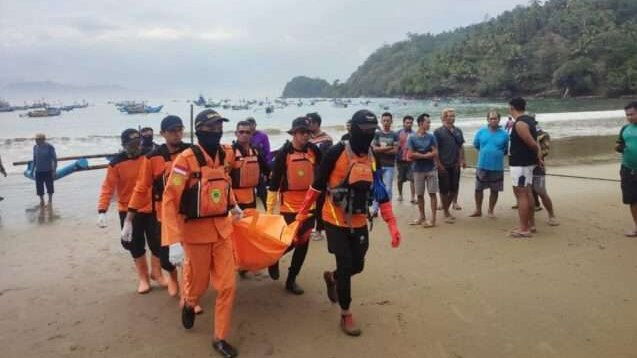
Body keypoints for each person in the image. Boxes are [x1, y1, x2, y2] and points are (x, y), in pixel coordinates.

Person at [293, 109, 401, 336]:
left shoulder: (372, 156)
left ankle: (332, 278)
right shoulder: (335, 152)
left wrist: (392, 224)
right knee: (345, 263)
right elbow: (318, 185)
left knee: (357, 265)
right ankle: (346, 314)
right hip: (333, 217)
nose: (368, 135)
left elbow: (380, 190)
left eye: (373, 131)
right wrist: (302, 214)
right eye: (364, 131)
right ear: (352, 129)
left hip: (360, 218)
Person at [161, 109, 243, 358]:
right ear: (200, 131)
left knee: (228, 285)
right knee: (199, 285)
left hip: (222, 230)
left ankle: (220, 337)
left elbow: (223, 183)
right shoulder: (185, 160)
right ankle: (188, 302)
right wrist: (173, 241)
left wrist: (234, 204)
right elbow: (169, 200)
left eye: (219, 127)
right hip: (195, 234)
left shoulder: (224, 154)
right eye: (211, 127)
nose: (216, 131)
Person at [124, 116, 192, 300]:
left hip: (190, 212)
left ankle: (188, 294)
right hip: (165, 214)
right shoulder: (152, 158)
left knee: (190, 255)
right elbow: (141, 187)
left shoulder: (191, 152)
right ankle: (172, 278)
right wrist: (129, 219)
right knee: (166, 258)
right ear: (162, 134)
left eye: (179, 130)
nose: (177, 134)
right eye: (172, 131)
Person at [97, 128, 161, 294]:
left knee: (158, 241)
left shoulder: (149, 156)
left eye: (138, 143)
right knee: (134, 244)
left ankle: (157, 273)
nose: (136, 147)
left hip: (150, 206)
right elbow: (107, 187)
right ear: (124, 145)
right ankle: (143, 279)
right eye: (132, 144)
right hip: (127, 210)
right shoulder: (116, 163)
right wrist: (102, 210)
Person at [266, 117, 321, 294]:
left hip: (309, 205)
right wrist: (269, 211)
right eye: (302, 132)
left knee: (303, 242)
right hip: (288, 206)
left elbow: (323, 172)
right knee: (289, 241)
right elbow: (274, 184)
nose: (306, 136)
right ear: (294, 133)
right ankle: (272, 258)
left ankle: (291, 279)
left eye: (308, 132)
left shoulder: (313, 150)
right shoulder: (284, 153)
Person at [508, 97, 542, 238]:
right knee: (527, 193)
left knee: (521, 195)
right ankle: (529, 224)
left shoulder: (520, 123)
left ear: (512, 108)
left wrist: (538, 156)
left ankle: (524, 228)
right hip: (526, 163)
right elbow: (536, 142)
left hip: (521, 164)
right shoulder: (528, 120)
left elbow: (532, 143)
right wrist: (538, 157)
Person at [470, 111, 509, 218]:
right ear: (487, 120)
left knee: (495, 189)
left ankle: (491, 210)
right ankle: (478, 210)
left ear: (499, 120)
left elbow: (506, 149)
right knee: (478, 188)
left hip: (497, 167)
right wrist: (486, 152)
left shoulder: (505, 134)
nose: (493, 120)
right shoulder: (481, 132)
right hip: (482, 165)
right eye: (491, 118)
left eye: (495, 118)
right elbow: (476, 145)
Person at [434, 108, 465, 223]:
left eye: (453, 115)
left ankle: (446, 208)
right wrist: (438, 164)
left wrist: (462, 160)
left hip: (455, 164)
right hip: (444, 164)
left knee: (454, 188)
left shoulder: (458, 131)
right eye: (449, 116)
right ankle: (446, 212)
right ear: (444, 118)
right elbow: (435, 149)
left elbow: (461, 146)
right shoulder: (438, 132)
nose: (452, 118)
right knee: (444, 189)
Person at [408, 113, 438, 227]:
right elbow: (410, 154)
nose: (429, 124)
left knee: (432, 193)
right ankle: (422, 216)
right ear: (421, 123)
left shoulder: (431, 137)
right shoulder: (412, 137)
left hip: (431, 169)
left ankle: (433, 219)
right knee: (419, 194)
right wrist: (426, 155)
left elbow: (435, 152)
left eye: (429, 122)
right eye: (428, 122)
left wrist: (419, 154)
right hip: (418, 169)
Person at [231, 120, 270, 210]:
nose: (244, 135)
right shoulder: (230, 152)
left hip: (251, 196)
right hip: (236, 198)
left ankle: (268, 210)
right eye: (241, 132)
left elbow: (266, 169)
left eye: (248, 132)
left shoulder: (255, 151)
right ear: (236, 133)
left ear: (252, 134)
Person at [307, 112, 333, 241]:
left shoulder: (326, 139)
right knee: (308, 202)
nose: (307, 124)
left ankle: (320, 229)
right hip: (306, 175)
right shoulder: (306, 138)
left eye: (309, 122)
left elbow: (326, 160)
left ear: (316, 123)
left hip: (320, 175)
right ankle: (311, 227)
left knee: (320, 203)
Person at [531, 120, 560, 226]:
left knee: (541, 191)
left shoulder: (543, 135)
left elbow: (545, 151)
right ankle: (531, 217)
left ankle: (551, 215)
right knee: (527, 192)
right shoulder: (521, 132)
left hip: (538, 166)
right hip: (524, 166)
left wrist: (536, 146)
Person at [616, 101, 637, 237]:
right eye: (627, 115)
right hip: (628, 169)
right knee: (632, 199)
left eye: (632, 114)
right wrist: (619, 148)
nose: (629, 117)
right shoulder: (625, 129)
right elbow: (618, 144)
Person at [371, 112, 398, 215]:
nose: (386, 122)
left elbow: (395, 151)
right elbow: (374, 149)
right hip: (377, 164)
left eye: (388, 120)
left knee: (388, 188)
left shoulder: (394, 135)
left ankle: (387, 209)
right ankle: (375, 209)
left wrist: (381, 149)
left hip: (389, 165)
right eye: (384, 120)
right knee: (377, 186)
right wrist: (389, 147)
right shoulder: (377, 134)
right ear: (381, 121)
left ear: (391, 121)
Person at [246, 117, 271, 207]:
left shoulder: (263, 136)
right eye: (249, 125)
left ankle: (269, 212)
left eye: (252, 124)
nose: (251, 126)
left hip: (260, 166)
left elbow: (267, 152)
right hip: (248, 168)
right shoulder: (245, 136)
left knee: (263, 193)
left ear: (255, 125)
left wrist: (266, 169)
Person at [33, 133, 57, 207]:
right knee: (39, 187)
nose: (36, 140)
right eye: (35, 139)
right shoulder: (35, 147)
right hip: (38, 171)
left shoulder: (49, 147)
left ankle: (50, 200)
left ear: (43, 139)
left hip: (48, 170)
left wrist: (54, 170)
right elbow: (34, 159)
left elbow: (54, 159)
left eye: (37, 139)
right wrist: (32, 170)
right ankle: (42, 201)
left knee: (49, 186)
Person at [396, 115, 416, 204]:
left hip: (411, 160)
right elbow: (395, 146)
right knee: (400, 179)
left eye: (411, 123)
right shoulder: (398, 133)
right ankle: (400, 195)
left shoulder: (415, 134)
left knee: (413, 179)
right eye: (407, 122)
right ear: (403, 123)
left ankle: (413, 197)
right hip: (400, 159)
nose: (409, 124)